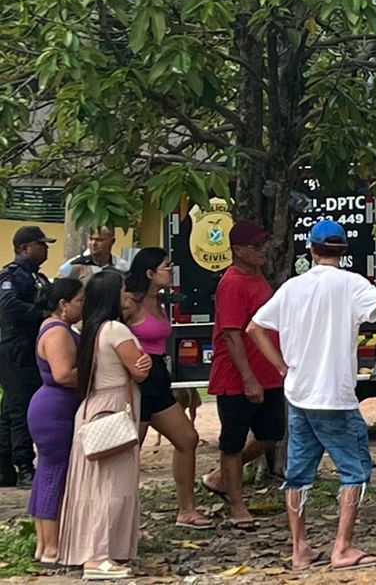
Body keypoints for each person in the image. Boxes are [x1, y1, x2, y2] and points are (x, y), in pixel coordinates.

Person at [247, 219, 376, 571]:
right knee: (356, 470)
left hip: (299, 393)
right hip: (335, 396)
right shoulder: (350, 284)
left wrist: (282, 366)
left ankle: (299, 548)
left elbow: (254, 327)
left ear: (312, 250)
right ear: (343, 251)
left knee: (299, 474)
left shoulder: (291, 288)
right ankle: (343, 547)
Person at [57, 269, 151, 579]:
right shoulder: (115, 329)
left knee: (94, 486)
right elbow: (138, 370)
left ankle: (94, 552)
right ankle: (98, 557)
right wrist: (146, 363)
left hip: (94, 405)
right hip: (113, 408)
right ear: (113, 295)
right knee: (112, 487)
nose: (128, 294)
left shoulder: (93, 329)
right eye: (123, 290)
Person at [202, 220, 284, 529]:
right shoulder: (232, 282)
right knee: (232, 441)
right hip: (237, 376)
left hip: (267, 372)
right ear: (237, 251)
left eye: (263, 245)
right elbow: (232, 335)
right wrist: (248, 377)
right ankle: (237, 505)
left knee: (271, 432)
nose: (262, 250)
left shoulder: (258, 277)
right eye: (255, 246)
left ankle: (221, 477)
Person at [123, 248, 212, 529]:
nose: (171, 270)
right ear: (150, 272)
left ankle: (187, 509)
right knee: (128, 452)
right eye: (166, 266)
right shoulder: (130, 302)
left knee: (187, 439)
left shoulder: (160, 302)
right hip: (137, 380)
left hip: (159, 378)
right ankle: (122, 519)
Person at [27, 278, 84, 565]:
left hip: (51, 408)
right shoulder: (58, 331)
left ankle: (43, 545)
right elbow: (63, 374)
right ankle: (52, 548)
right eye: (79, 301)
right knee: (54, 477)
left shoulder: (54, 327)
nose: (82, 307)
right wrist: (95, 373)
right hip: (55, 411)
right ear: (63, 304)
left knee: (47, 475)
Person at [0, 224, 56, 487]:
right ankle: (23, 466)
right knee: (20, 407)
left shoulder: (38, 278)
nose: (46, 249)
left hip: (32, 347)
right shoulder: (12, 276)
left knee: (12, 408)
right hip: (15, 348)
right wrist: (40, 314)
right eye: (41, 244)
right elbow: (9, 306)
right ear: (24, 248)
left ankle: (5, 465)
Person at [57, 227, 123, 278]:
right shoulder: (72, 265)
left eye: (99, 240)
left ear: (112, 241)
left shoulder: (122, 267)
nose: (94, 243)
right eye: (91, 239)